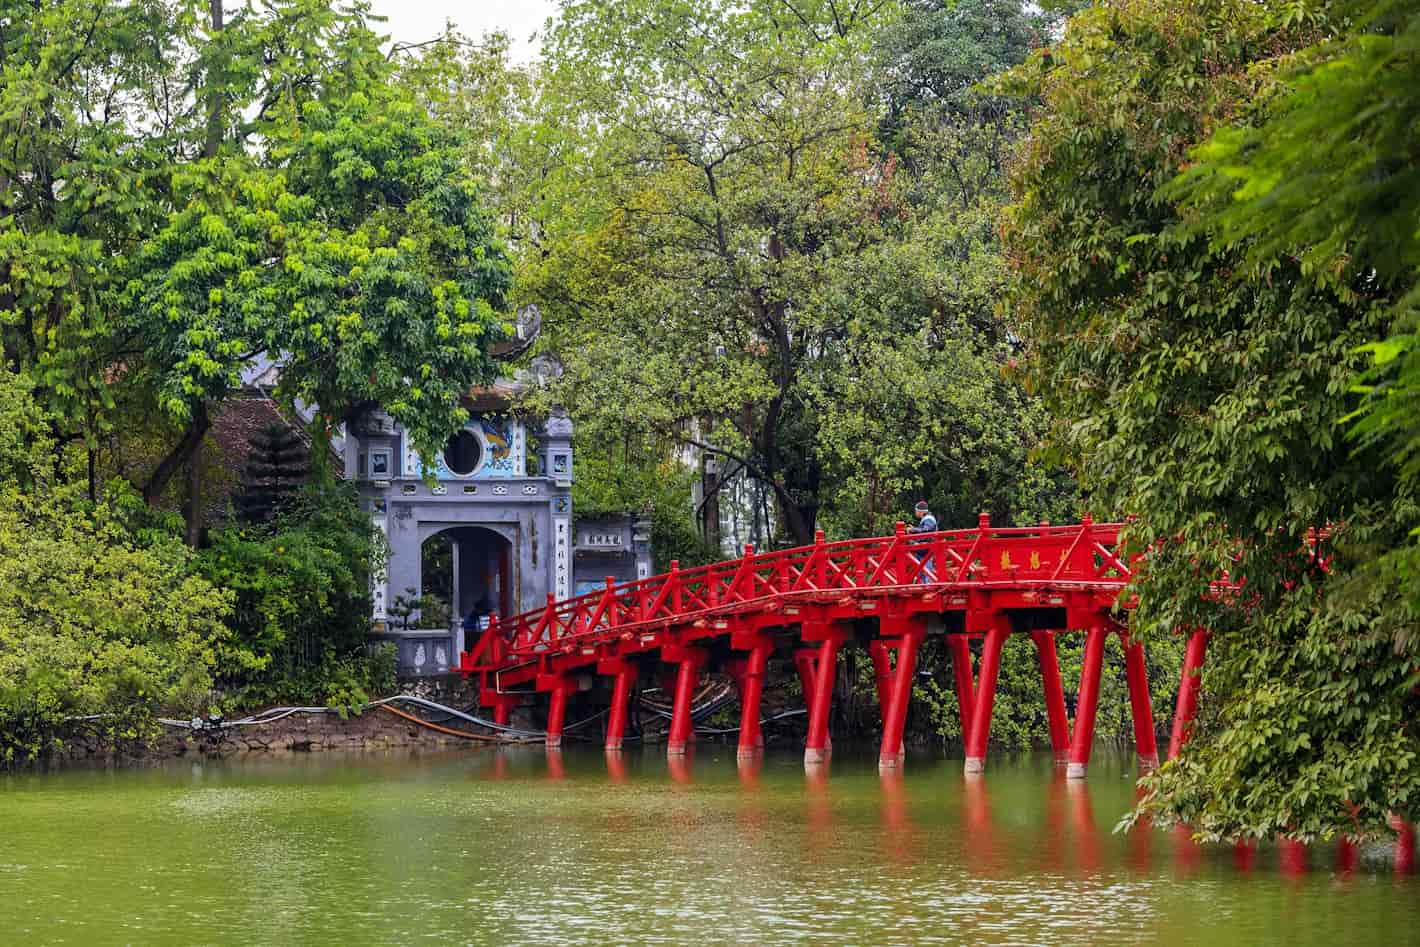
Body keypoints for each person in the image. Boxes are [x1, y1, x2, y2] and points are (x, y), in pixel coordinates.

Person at [908, 500, 937, 582]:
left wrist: (913, 530)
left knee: (926, 569)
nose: (915, 512)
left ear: (920, 511)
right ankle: (924, 584)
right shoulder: (926, 518)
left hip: (926, 547)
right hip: (924, 547)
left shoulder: (929, 519)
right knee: (922, 569)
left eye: (916, 511)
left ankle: (928, 585)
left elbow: (927, 530)